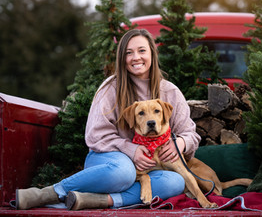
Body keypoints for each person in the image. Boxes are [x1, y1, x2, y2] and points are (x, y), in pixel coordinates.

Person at [11, 29, 201, 210]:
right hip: (107, 160)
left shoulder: (170, 92)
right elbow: (95, 136)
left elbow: (189, 133)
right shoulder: (111, 88)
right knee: (124, 171)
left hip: (145, 170)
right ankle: (49, 193)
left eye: (142, 50)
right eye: (129, 53)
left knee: (176, 181)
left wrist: (181, 143)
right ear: (122, 59)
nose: (136, 57)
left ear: (152, 53)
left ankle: (98, 200)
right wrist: (131, 149)